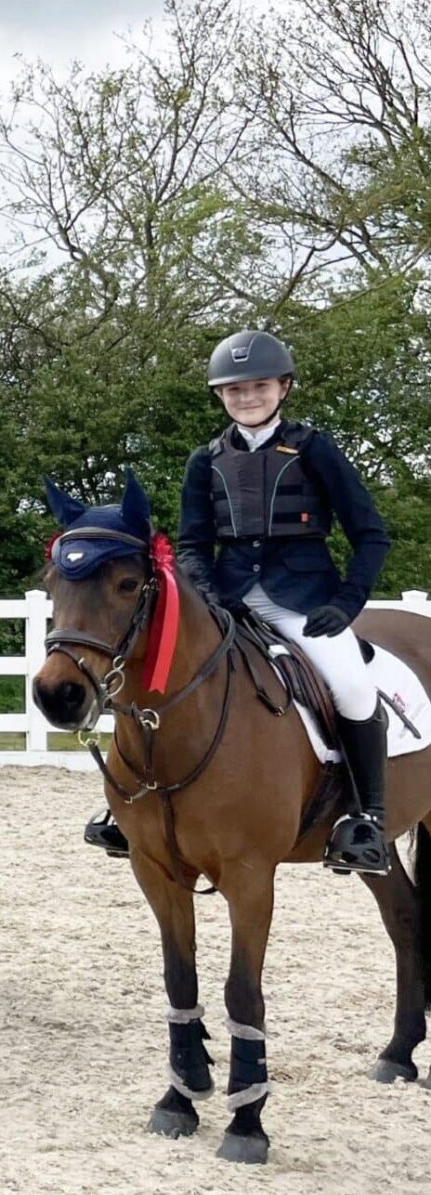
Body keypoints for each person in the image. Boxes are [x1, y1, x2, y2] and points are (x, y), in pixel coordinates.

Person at [83, 331, 392, 874]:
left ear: (283, 387)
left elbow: (371, 534)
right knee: (149, 671)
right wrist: (208, 594)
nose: (246, 398)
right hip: (225, 599)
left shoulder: (316, 450)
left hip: (305, 600)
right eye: (234, 390)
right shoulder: (206, 460)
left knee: (351, 687)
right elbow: (193, 544)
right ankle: (128, 807)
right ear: (221, 396)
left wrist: (345, 605)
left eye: (258, 387)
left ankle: (367, 819)